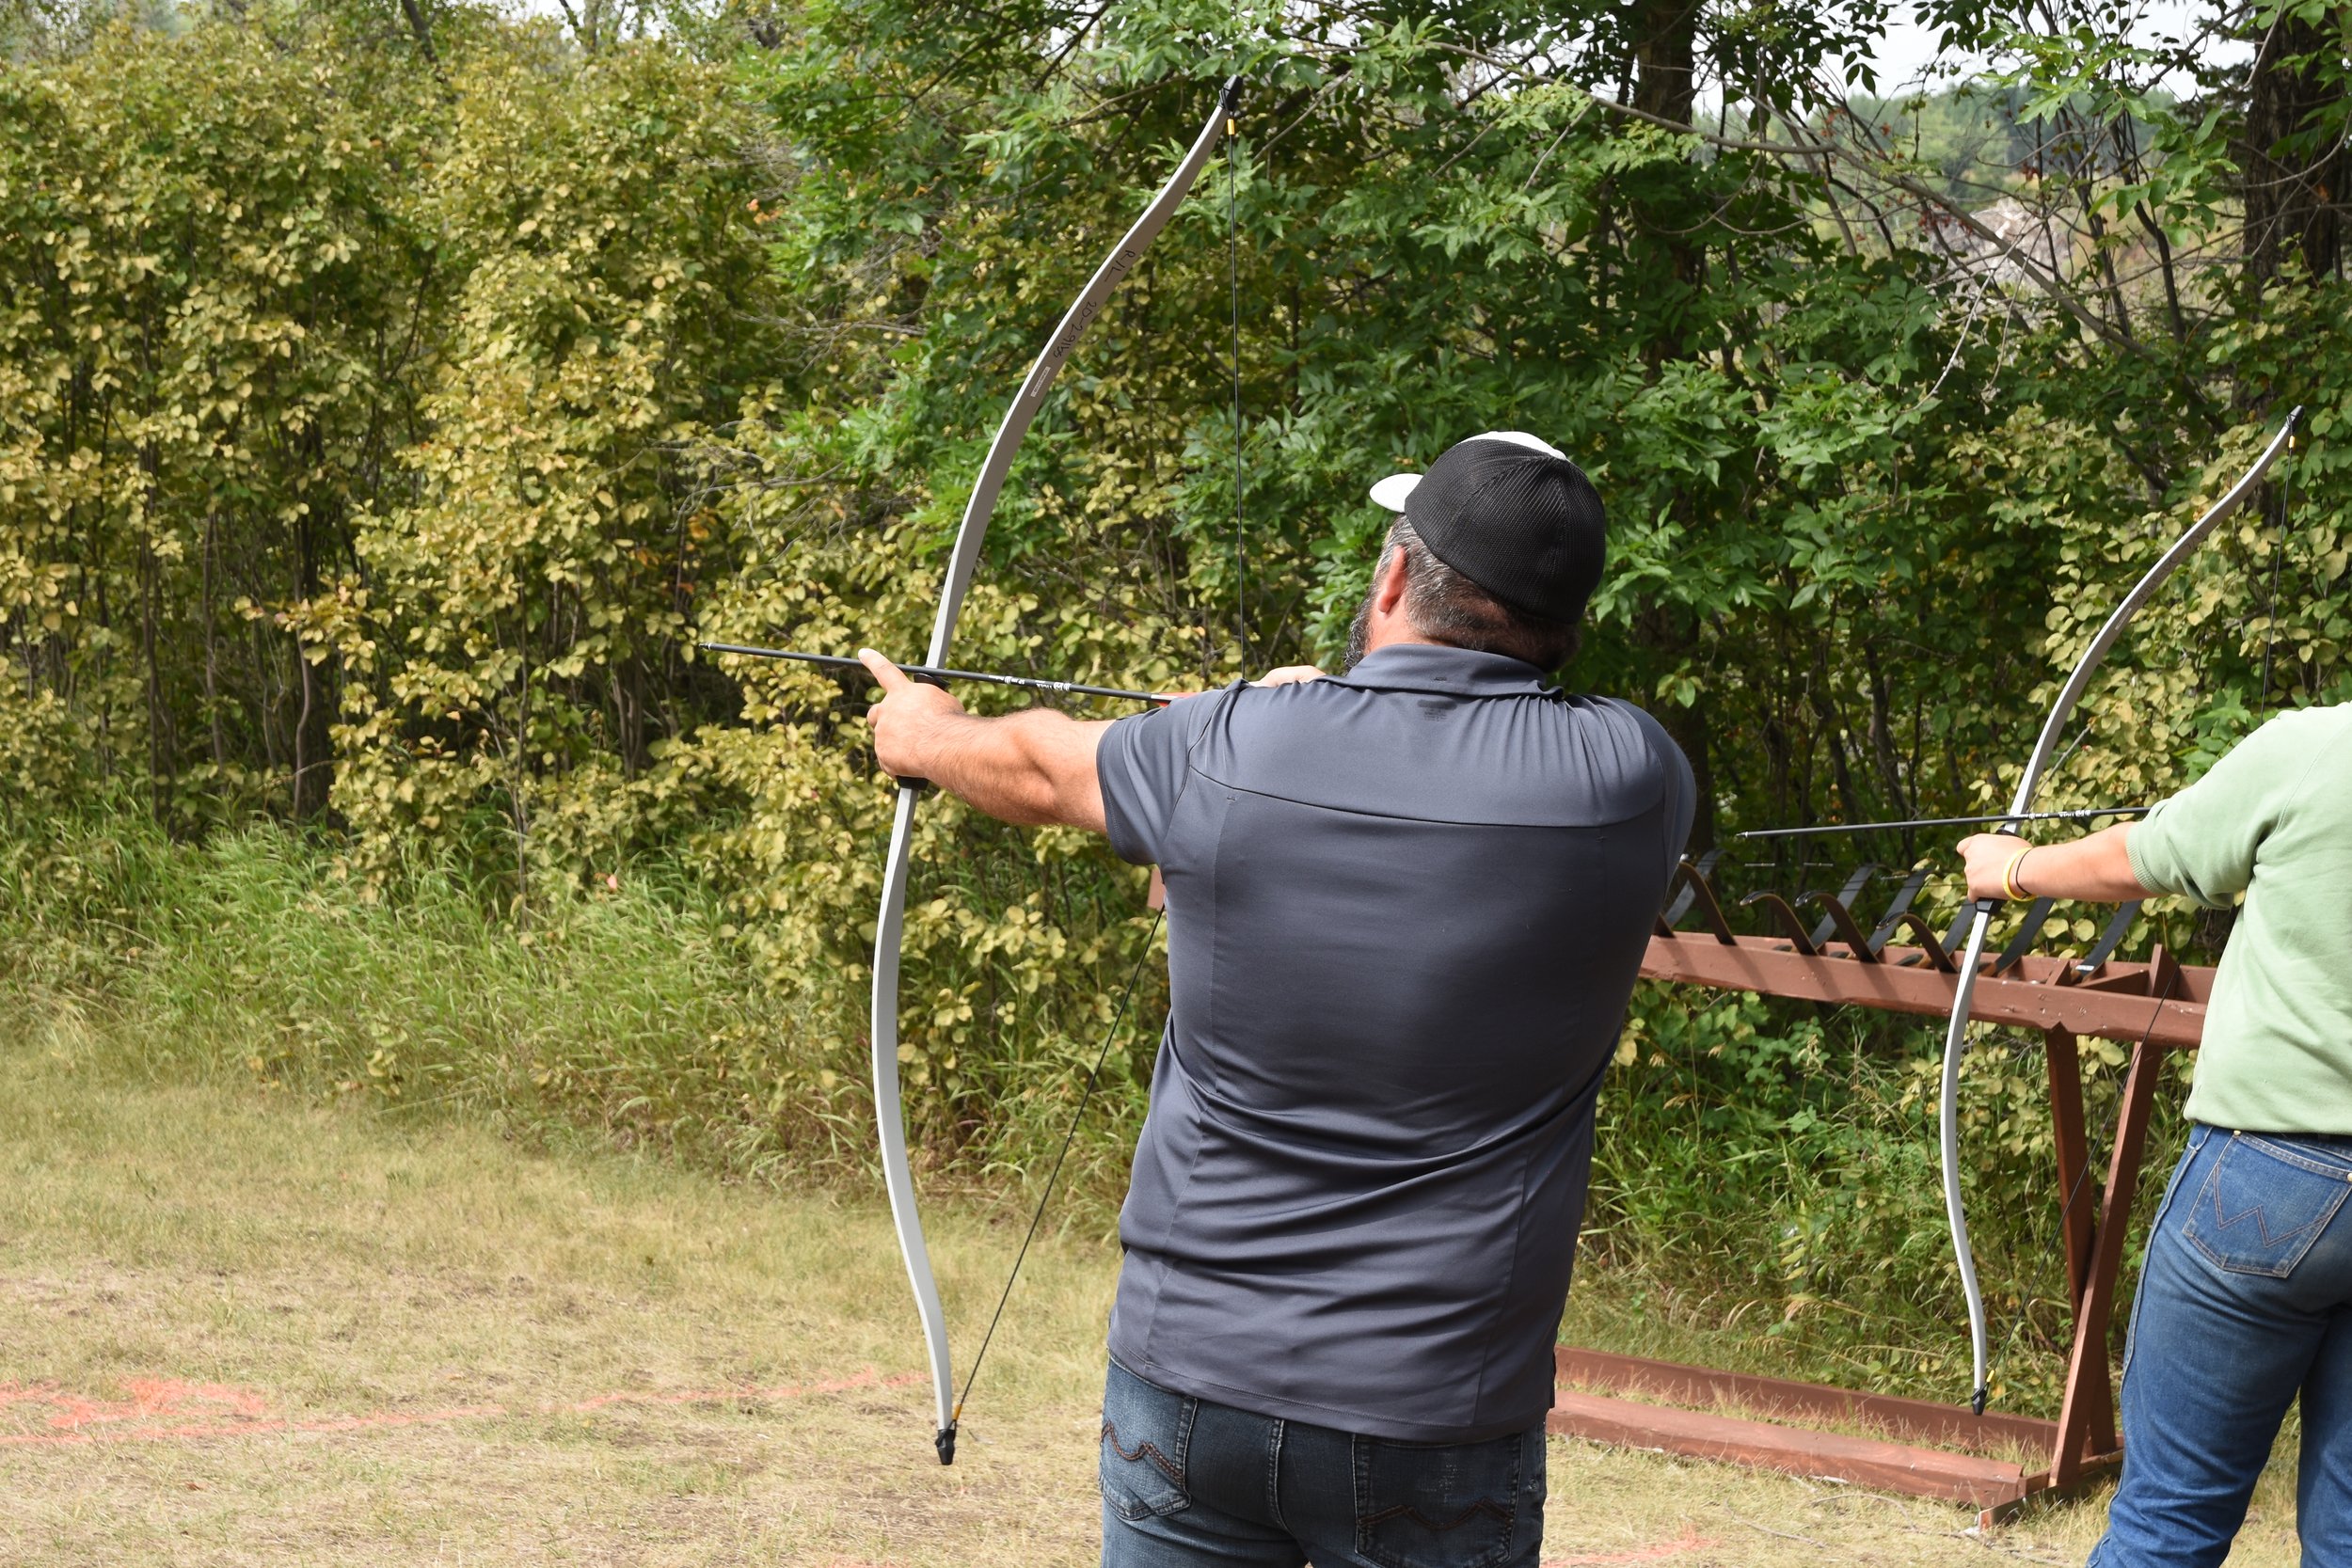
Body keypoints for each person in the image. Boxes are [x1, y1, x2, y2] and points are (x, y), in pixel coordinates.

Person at [859, 430, 1692, 1567]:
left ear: (1394, 577)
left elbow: (1043, 764)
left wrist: (923, 731)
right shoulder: (1631, 777)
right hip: (1436, 1408)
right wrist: (1272, 719)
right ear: (1563, 617)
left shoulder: (1230, 740)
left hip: (1192, 1381)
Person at [1956, 707, 2352, 1568]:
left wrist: (2014, 868)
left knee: (2167, 1526)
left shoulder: (2316, 746)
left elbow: (2148, 855)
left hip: (2275, 1170)